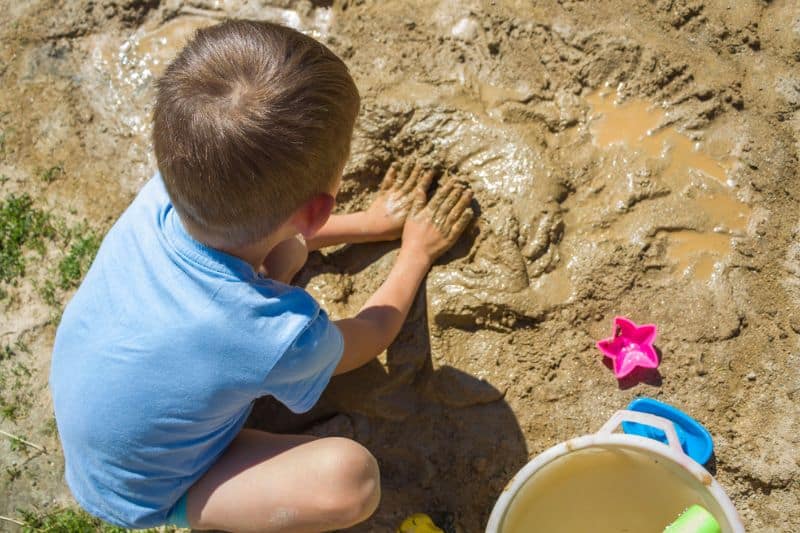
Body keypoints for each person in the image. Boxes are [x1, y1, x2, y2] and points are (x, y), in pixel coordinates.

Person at [49, 19, 473, 532]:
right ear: (316, 211)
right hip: (149, 486)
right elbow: (371, 335)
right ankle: (196, 514)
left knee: (283, 256)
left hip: (102, 408)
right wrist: (414, 253)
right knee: (352, 479)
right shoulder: (274, 334)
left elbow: (271, 233)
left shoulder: (164, 192)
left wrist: (368, 225)